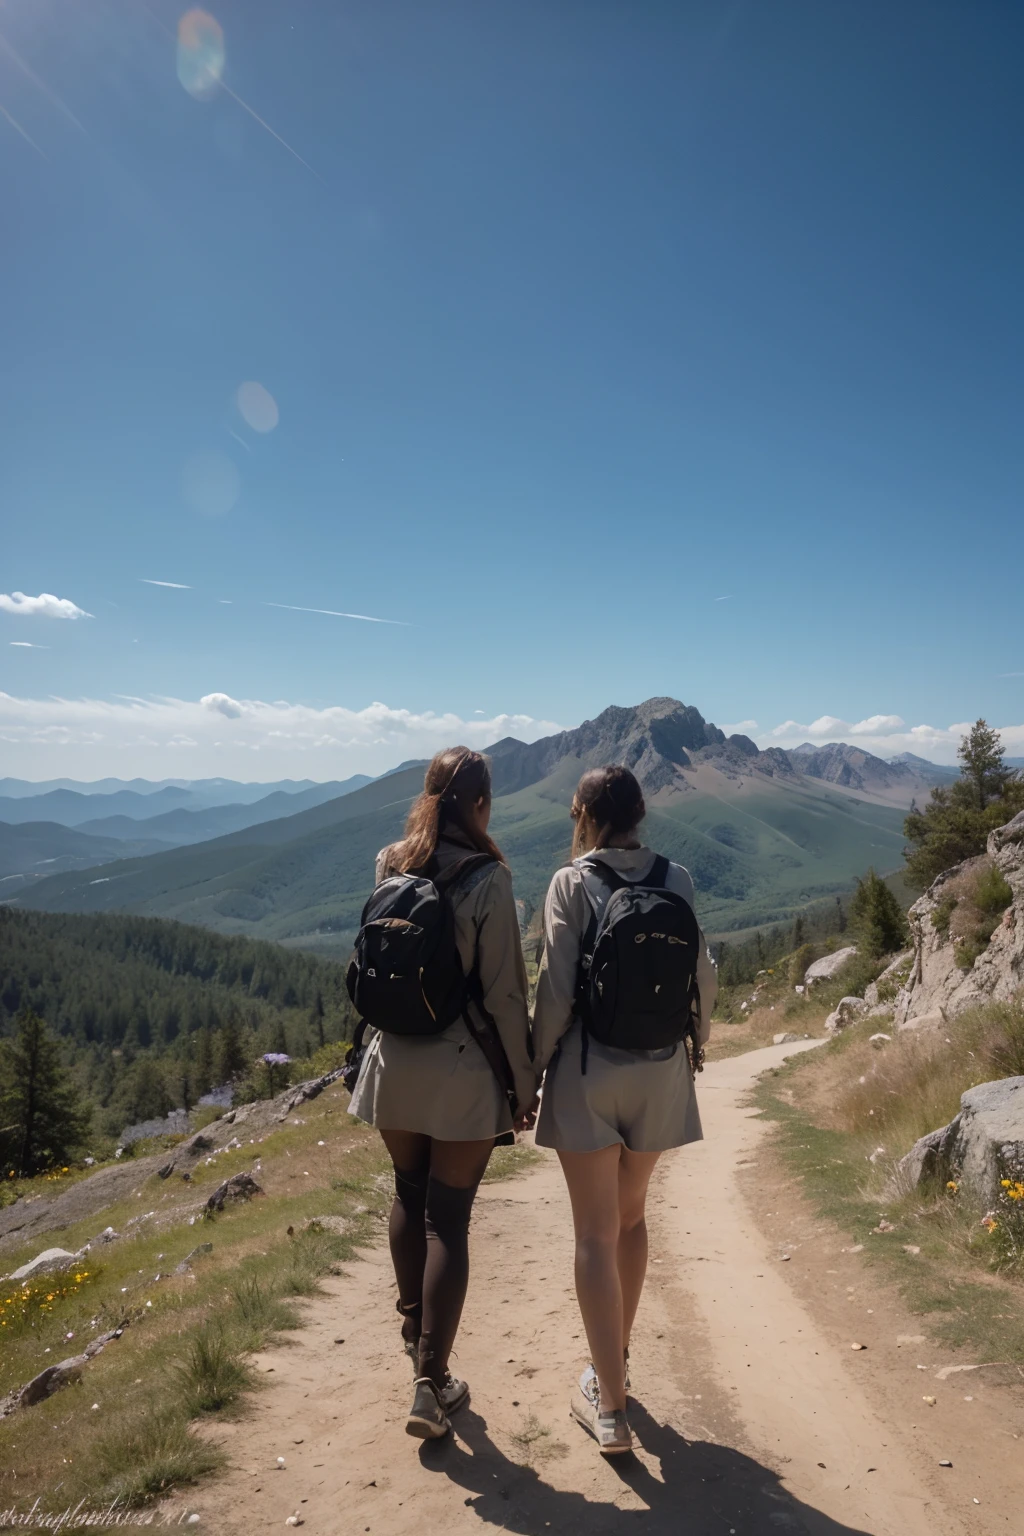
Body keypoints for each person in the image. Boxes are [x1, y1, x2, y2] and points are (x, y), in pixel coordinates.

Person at [348, 747, 537, 1440]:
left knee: (407, 1193)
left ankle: (411, 1335)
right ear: (481, 804)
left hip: (393, 1059)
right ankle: (431, 1381)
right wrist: (523, 1082)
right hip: (460, 1070)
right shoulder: (489, 877)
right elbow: (504, 993)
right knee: (447, 1221)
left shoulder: (389, 860)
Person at [532, 764, 717, 1456]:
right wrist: (695, 1044)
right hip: (661, 1068)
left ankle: (611, 1408)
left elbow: (555, 989)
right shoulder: (679, 878)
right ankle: (619, 1361)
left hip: (588, 1068)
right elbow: (703, 972)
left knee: (593, 1234)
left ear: (584, 815)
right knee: (633, 1217)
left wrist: (532, 1071)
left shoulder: (571, 882)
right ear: (641, 813)